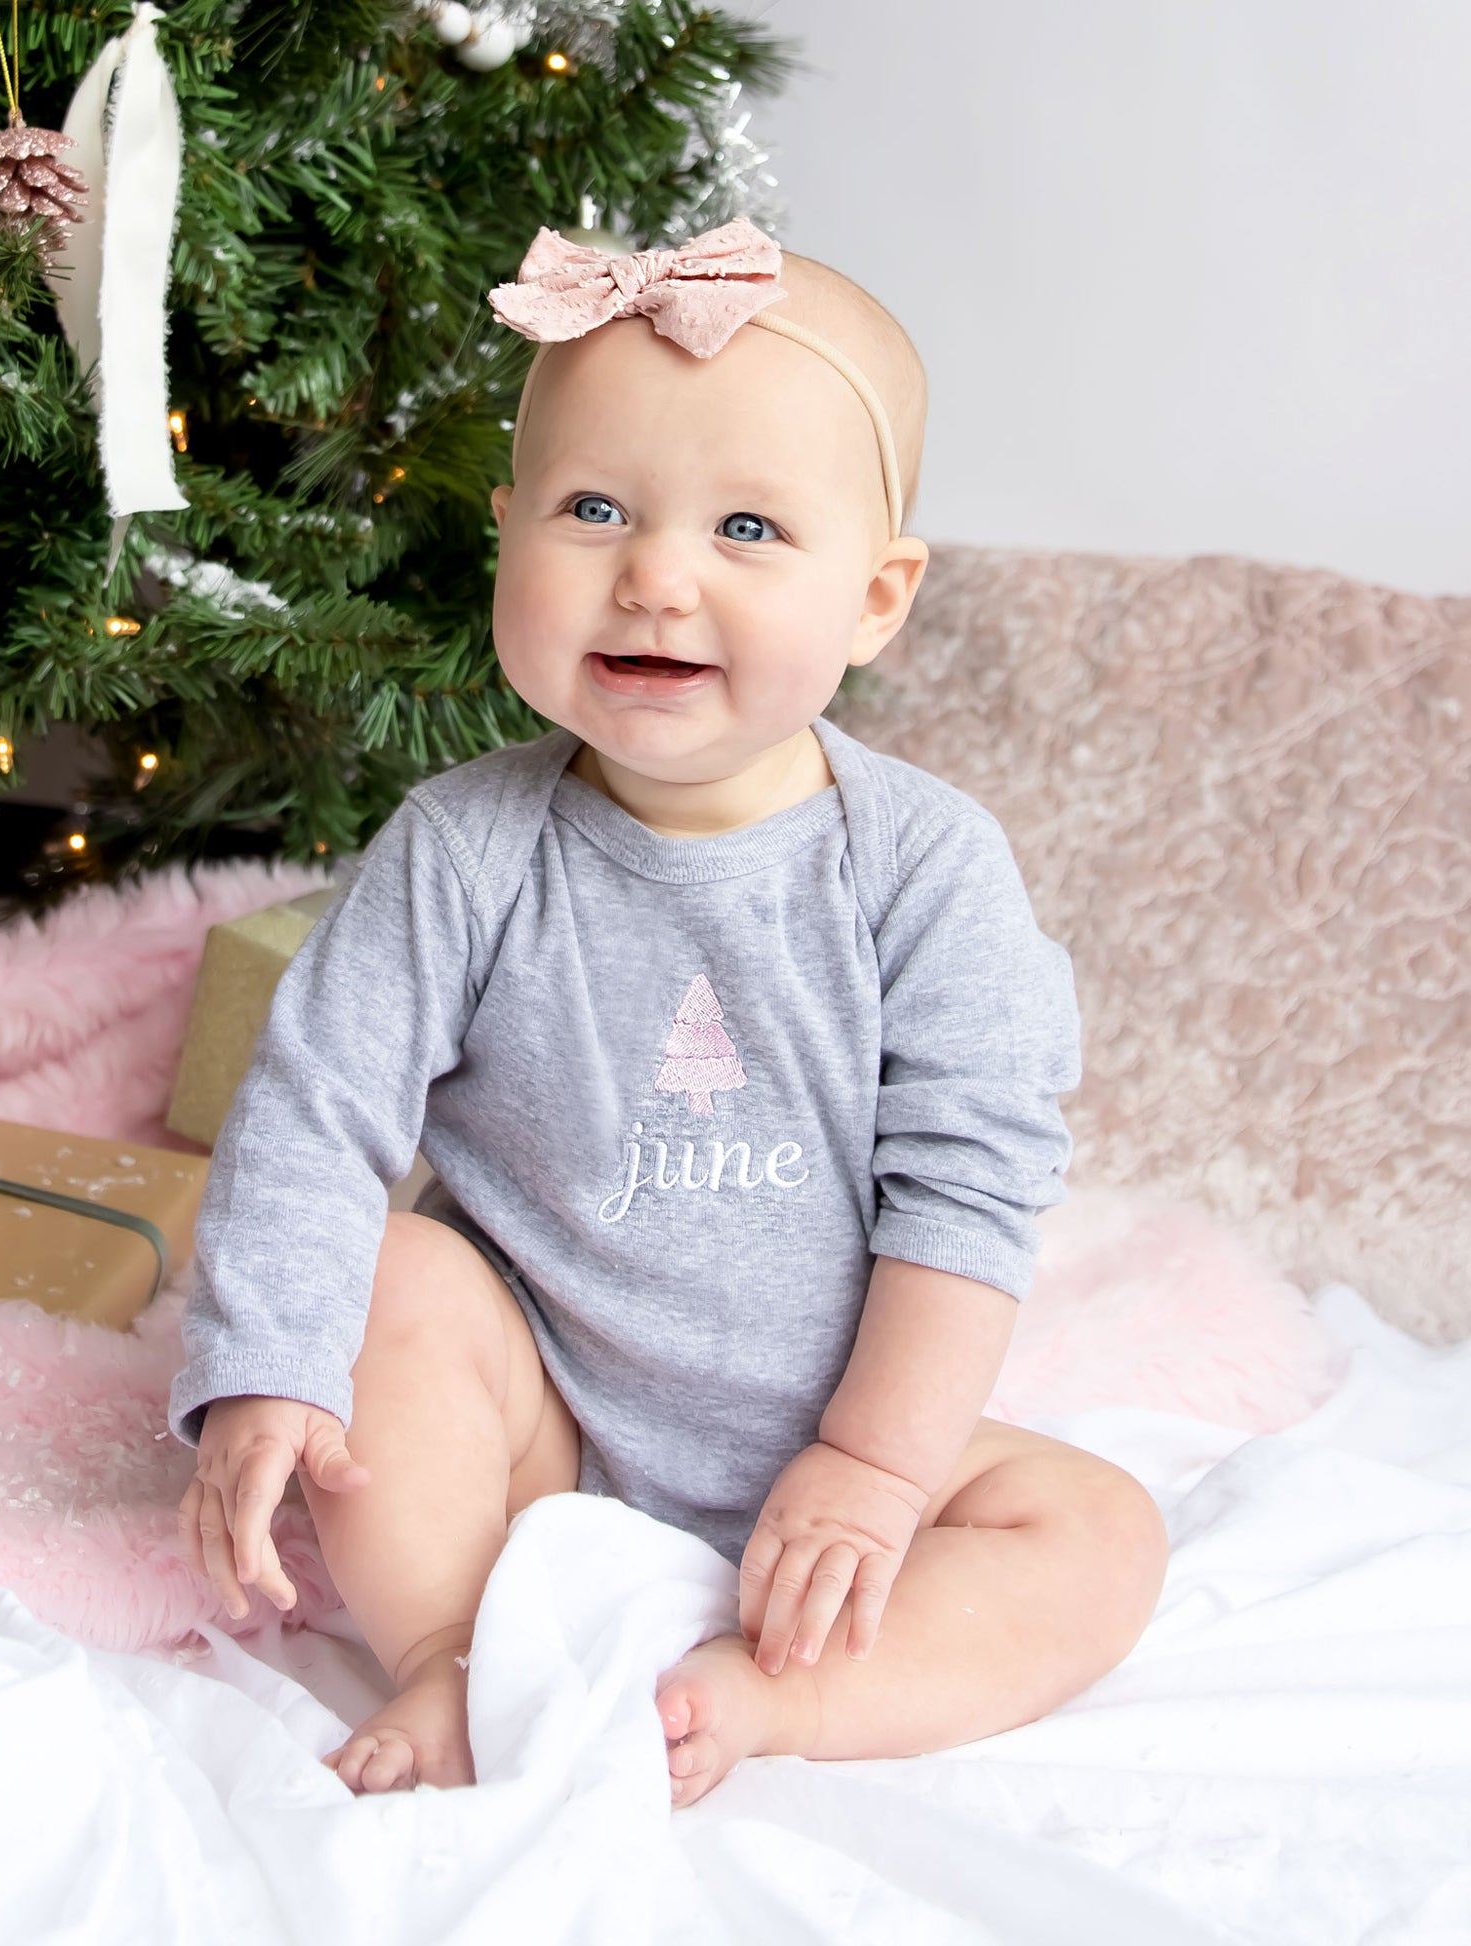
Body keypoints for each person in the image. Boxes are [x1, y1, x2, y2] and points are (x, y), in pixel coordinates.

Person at [171, 217, 1169, 1806]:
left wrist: (871, 1467)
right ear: (503, 533)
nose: (652, 574)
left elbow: (966, 1189)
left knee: (1102, 1538)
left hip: (831, 1434)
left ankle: (775, 1702)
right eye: (591, 508)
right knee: (394, 1279)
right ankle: (447, 1652)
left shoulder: (922, 867)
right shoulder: (464, 845)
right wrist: (271, 1360)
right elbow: (314, 1108)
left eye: (750, 527)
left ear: (876, 596)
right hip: (543, 1420)